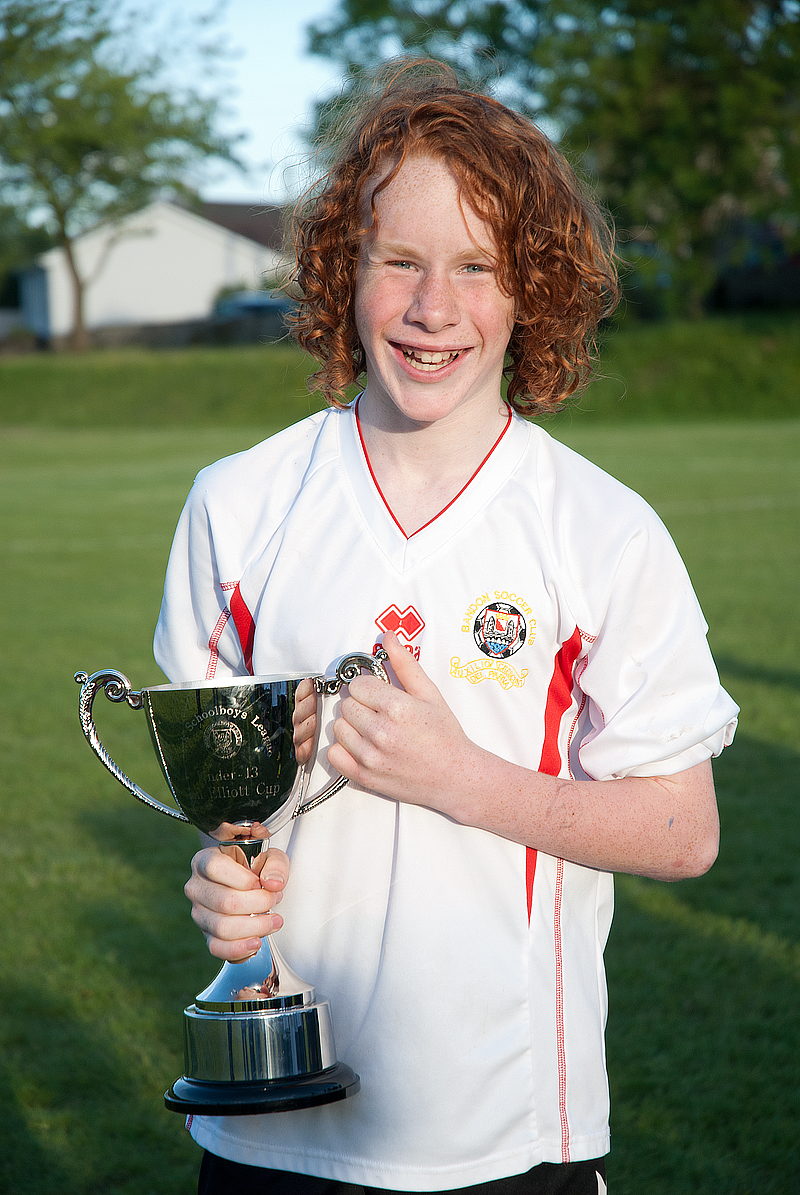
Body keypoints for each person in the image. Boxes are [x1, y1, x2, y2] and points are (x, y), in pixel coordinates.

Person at [154, 60, 738, 1195]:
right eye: (400, 262)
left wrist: (458, 776)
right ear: (343, 268)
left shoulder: (600, 529)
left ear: (531, 290)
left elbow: (685, 833)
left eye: (478, 266)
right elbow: (232, 805)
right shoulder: (237, 504)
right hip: (265, 1131)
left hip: (509, 1135)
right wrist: (225, 883)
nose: (434, 309)